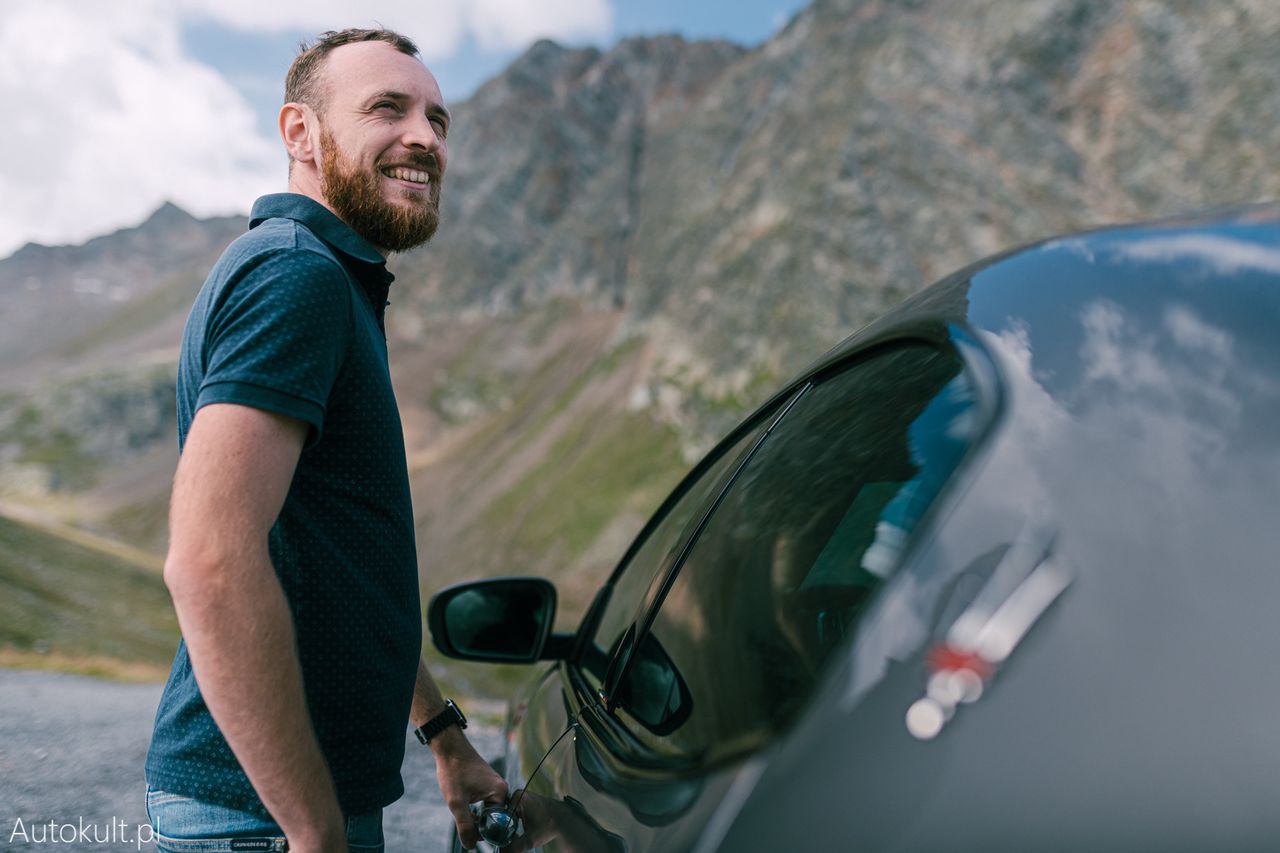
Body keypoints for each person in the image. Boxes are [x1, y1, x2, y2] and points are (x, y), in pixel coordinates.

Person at [144, 28, 506, 853]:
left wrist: (443, 736)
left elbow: (340, 563)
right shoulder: (297, 274)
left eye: (439, 120)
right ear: (300, 134)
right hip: (260, 819)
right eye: (388, 108)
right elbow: (210, 562)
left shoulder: (327, 280)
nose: (425, 136)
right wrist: (312, 831)